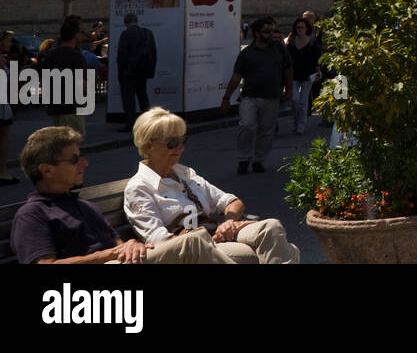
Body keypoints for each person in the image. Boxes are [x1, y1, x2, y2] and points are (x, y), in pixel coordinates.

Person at [11, 127, 231, 264]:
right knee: (192, 243)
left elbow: (119, 244)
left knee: (195, 241)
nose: (84, 163)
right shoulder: (32, 214)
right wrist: (110, 255)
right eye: (74, 159)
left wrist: (130, 244)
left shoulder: (86, 206)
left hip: (122, 261)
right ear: (46, 170)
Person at [123, 108, 300, 263]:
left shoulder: (186, 174)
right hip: (195, 249)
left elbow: (231, 201)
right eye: (172, 143)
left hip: (216, 235)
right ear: (148, 146)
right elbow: (159, 240)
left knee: (271, 227)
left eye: (183, 141)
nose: (180, 148)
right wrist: (206, 237)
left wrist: (229, 222)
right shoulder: (140, 187)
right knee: (289, 251)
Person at [221, 17, 293, 175]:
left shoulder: (279, 49)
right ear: (257, 33)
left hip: (272, 96)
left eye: (272, 31)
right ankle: (243, 158)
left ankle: (259, 159)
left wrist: (289, 88)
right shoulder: (247, 53)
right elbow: (236, 76)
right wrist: (226, 97)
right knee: (247, 125)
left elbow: (288, 69)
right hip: (250, 96)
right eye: (267, 31)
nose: (270, 34)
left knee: (266, 130)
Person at [37, 15, 88, 138]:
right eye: (80, 33)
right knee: (73, 143)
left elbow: (44, 81)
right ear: (75, 35)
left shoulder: (51, 55)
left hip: (55, 106)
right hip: (71, 107)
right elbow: (82, 84)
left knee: (60, 142)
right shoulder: (76, 56)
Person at [115, 12, 157, 131]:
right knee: (143, 96)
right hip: (143, 72)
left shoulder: (126, 34)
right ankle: (149, 122)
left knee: (129, 99)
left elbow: (122, 55)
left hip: (129, 72)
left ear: (125, 22)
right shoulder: (147, 33)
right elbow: (153, 53)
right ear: (136, 20)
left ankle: (131, 123)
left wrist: (121, 71)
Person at [286, 16, 321, 135]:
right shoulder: (291, 42)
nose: (300, 29)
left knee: (303, 101)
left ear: (307, 28)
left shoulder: (312, 42)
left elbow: (316, 59)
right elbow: (287, 60)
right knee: (295, 100)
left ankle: (301, 125)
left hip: (308, 75)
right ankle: (295, 121)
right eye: (298, 27)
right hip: (294, 75)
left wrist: (318, 72)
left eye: (302, 27)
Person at [0, 32, 18, 186]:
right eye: (8, 41)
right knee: (3, 136)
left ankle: (3, 172)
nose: (10, 44)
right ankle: (2, 172)